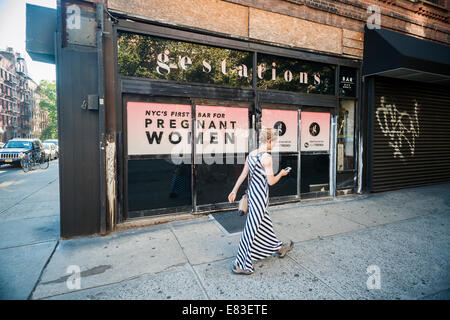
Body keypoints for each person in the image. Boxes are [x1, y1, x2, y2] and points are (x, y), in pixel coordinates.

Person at [228, 127, 294, 275]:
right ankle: (243, 264)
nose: (275, 144)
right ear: (269, 140)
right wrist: (282, 174)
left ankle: (279, 247)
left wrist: (234, 190)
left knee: (264, 225)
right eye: (275, 142)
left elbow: (243, 175)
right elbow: (271, 182)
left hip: (252, 196)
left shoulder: (251, 154)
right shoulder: (267, 158)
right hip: (260, 199)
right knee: (250, 231)